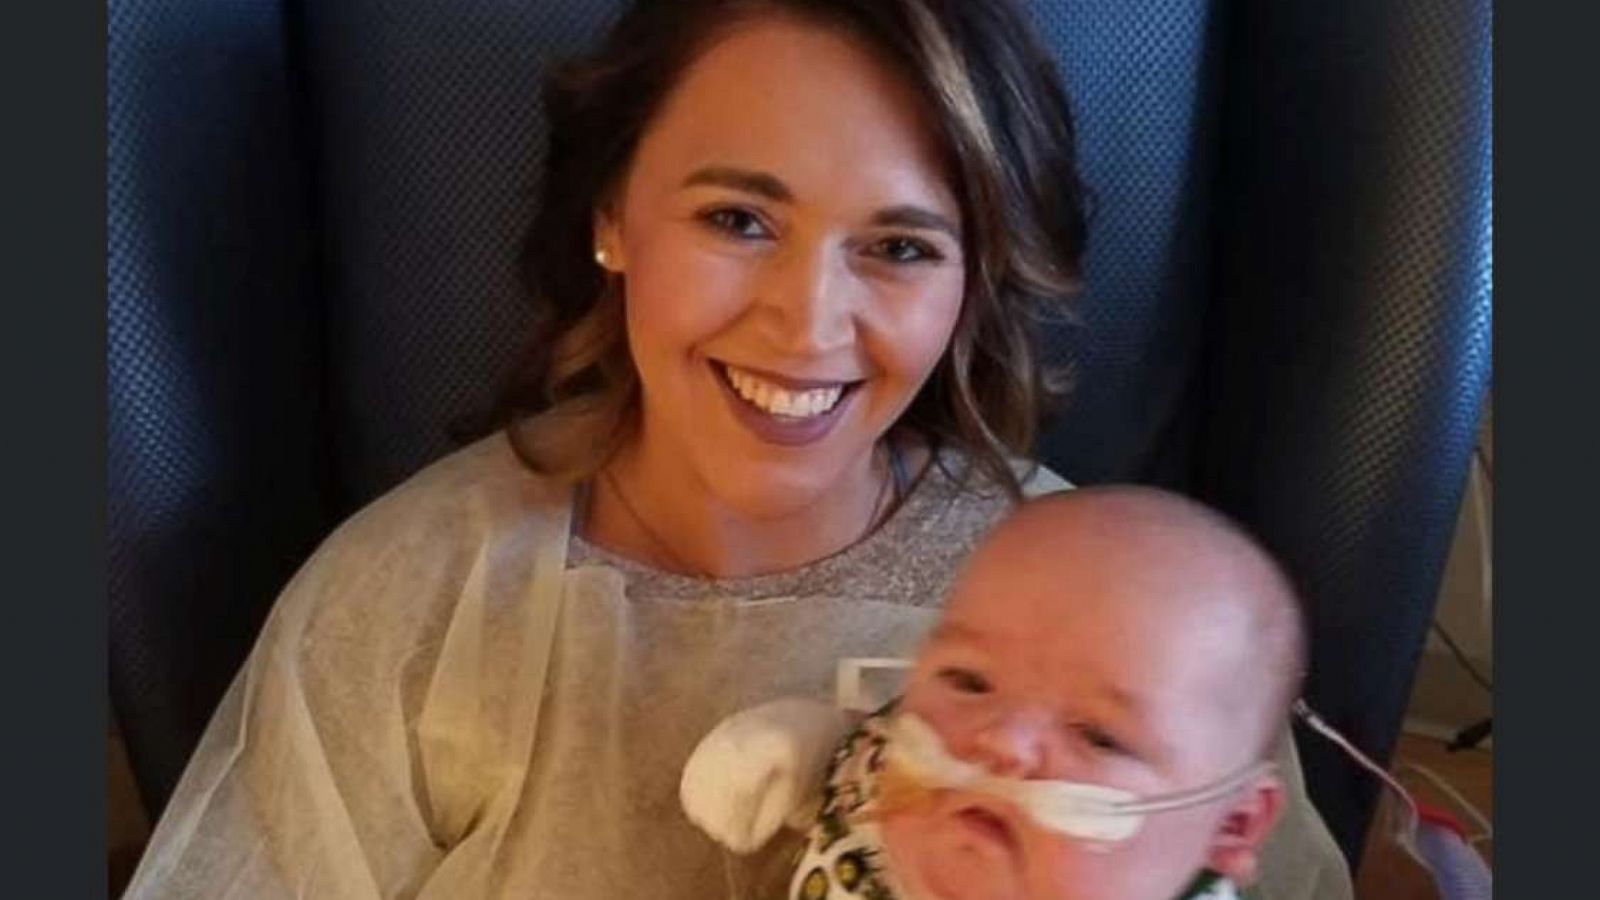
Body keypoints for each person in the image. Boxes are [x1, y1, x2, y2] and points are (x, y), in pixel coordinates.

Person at [123, 1, 1350, 898]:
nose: (805, 324)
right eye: (739, 219)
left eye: (900, 246)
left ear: (971, 286)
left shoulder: (1133, 619)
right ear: (611, 217)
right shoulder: (413, 606)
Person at [682, 487, 1311, 900]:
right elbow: (861, 749)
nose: (1000, 741)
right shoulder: (906, 767)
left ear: (1231, 825)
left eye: (1098, 735)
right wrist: (805, 747)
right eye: (968, 680)